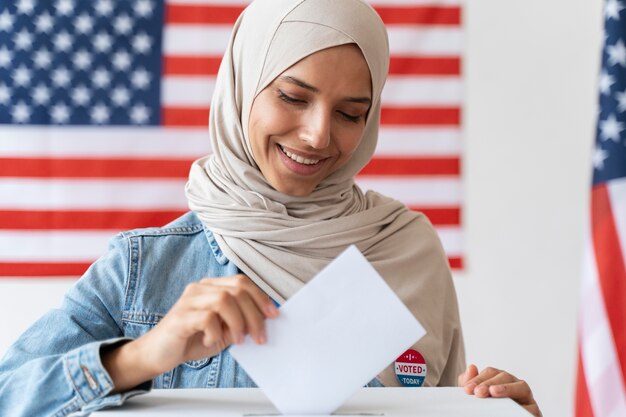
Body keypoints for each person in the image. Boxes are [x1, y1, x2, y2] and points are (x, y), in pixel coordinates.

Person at [0, 1, 542, 416]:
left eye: (351, 113)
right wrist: (142, 356)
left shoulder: (407, 250)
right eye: (292, 96)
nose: (317, 134)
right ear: (242, 88)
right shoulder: (143, 268)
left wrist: (496, 410)